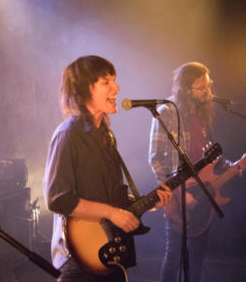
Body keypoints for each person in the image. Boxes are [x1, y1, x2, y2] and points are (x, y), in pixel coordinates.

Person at [43, 55, 172, 282]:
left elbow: (110, 197)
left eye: (114, 80)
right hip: (79, 258)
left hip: (110, 252)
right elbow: (57, 199)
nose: (117, 87)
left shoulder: (107, 136)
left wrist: (151, 203)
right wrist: (112, 213)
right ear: (85, 90)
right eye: (106, 82)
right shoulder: (67, 135)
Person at [149, 62, 246, 282]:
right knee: (174, 258)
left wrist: (235, 166)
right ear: (185, 88)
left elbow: (212, 160)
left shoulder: (203, 113)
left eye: (208, 86)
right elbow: (155, 159)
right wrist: (178, 192)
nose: (208, 92)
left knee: (196, 260)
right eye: (201, 87)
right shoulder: (167, 112)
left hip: (204, 194)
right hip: (180, 194)